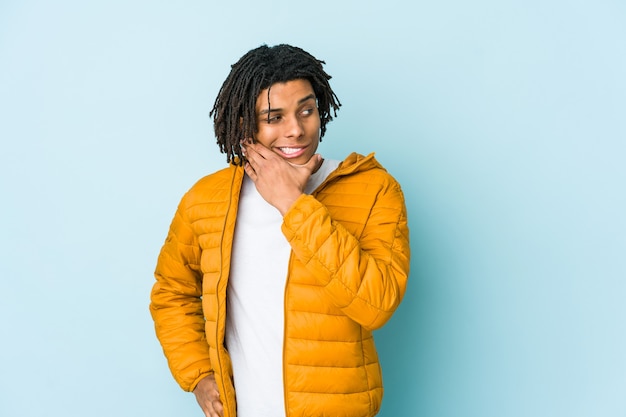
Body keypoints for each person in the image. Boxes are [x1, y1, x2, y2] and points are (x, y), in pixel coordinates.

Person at [149, 43, 410, 417]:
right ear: (244, 122)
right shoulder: (206, 200)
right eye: (274, 117)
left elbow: (377, 305)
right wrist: (199, 375)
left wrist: (292, 202)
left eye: (307, 110)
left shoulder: (373, 190)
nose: (296, 129)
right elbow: (172, 292)